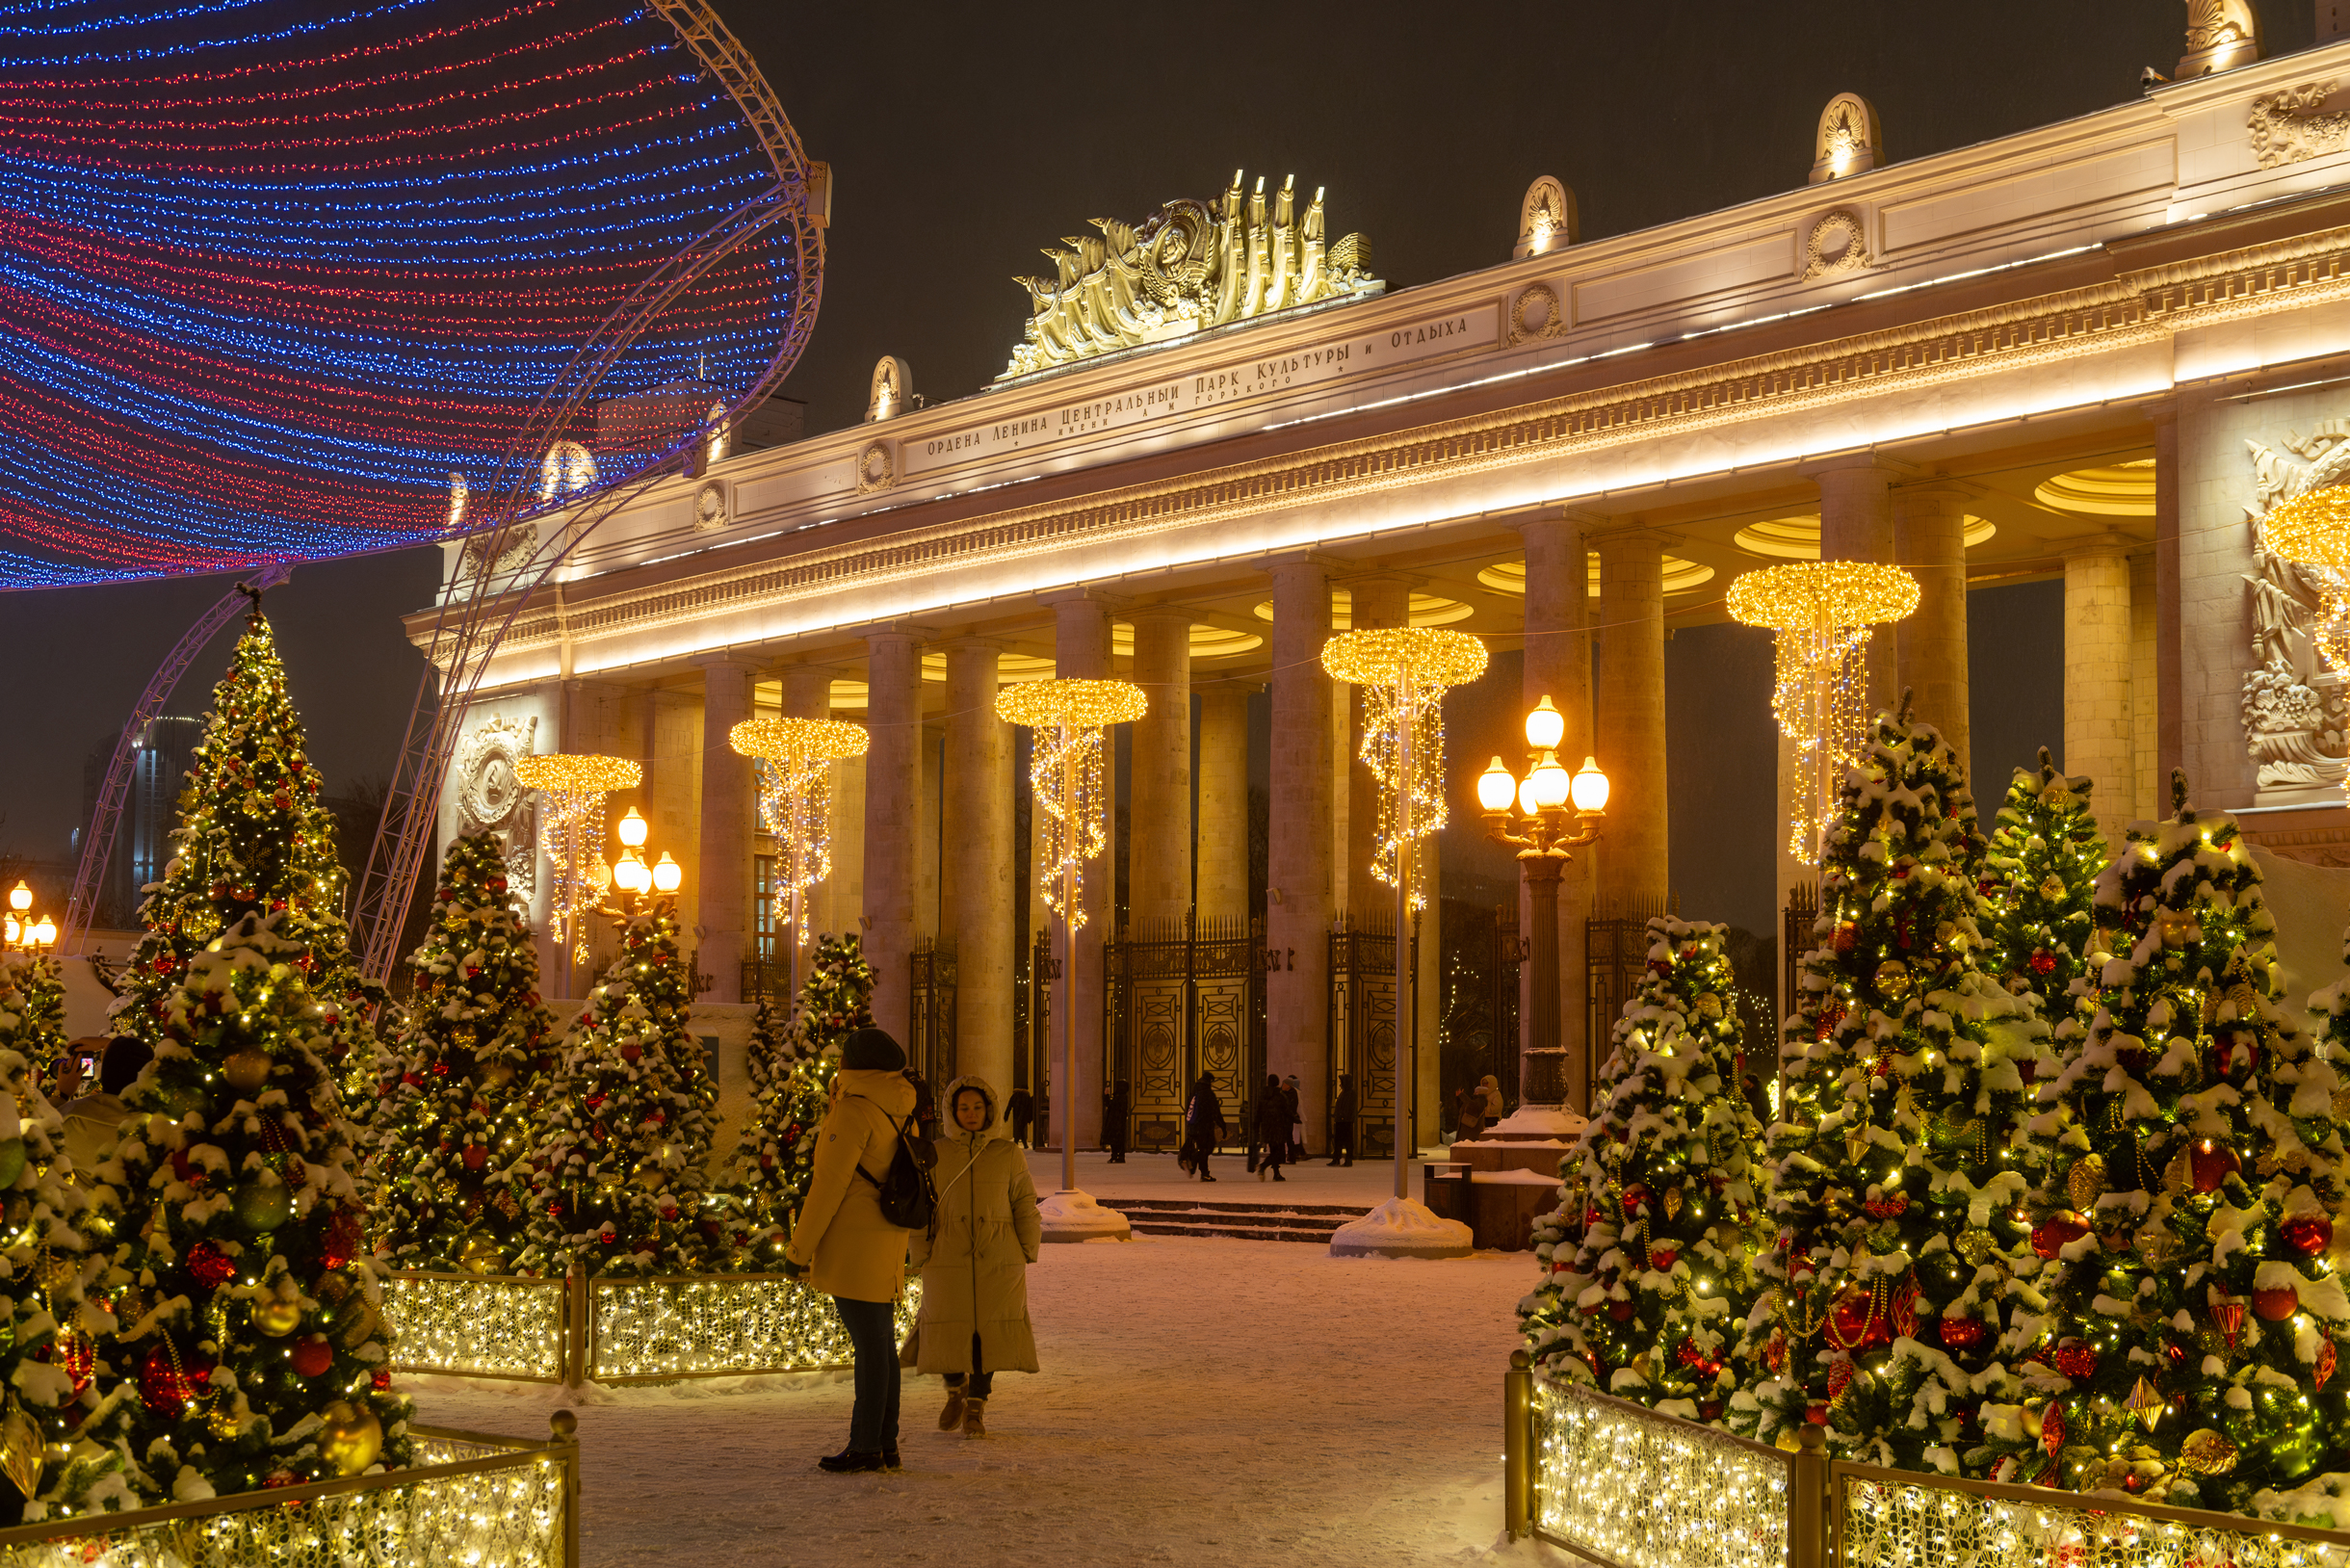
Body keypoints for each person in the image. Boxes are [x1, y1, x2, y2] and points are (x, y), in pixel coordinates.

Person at [782, 1027, 921, 1474]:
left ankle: (865, 1445)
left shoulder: (853, 1111)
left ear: (852, 1066)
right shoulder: (901, 1108)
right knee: (880, 1344)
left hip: (854, 1243)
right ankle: (885, 1442)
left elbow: (827, 1187)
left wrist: (798, 1250)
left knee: (871, 1345)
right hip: (887, 1236)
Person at [908, 1077, 1041, 1439]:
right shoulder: (936, 1152)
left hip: (998, 1254)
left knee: (988, 1333)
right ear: (952, 1112)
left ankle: (976, 1406)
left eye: (977, 1107)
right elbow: (924, 1207)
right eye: (963, 1108)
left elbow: (1023, 1202)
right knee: (946, 1326)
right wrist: (921, 1251)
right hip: (947, 1252)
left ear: (989, 1110)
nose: (971, 1114)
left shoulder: (1008, 1153)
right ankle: (955, 1389)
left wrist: (1028, 1246)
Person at [60, 1035, 149, 1176]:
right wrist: (112, 1045)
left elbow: (34, 1135)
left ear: (105, 1071)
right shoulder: (161, 1126)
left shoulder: (75, 1120)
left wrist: (62, 1095)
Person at [1182, 1071, 1223, 1182]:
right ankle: (1197, 1165)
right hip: (1205, 1126)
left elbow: (1189, 1107)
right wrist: (1222, 1125)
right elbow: (1215, 1111)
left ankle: (1201, 1171)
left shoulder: (1194, 1091)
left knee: (1202, 1149)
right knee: (1206, 1149)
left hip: (1194, 1125)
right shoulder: (1208, 1093)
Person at [1254, 1073, 1290, 1183]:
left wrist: (1256, 1125)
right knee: (1279, 1154)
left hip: (1267, 1128)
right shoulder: (1280, 1096)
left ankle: (1276, 1173)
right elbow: (1286, 1111)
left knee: (1274, 1151)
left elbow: (1258, 1113)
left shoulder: (1263, 1096)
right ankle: (1262, 1166)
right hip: (1278, 1127)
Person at [1327, 1074, 1357, 1167]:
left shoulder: (1351, 1094)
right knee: (1338, 1140)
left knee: (1347, 1141)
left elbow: (1349, 1108)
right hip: (1341, 1120)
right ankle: (1337, 1158)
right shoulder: (1344, 1093)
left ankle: (1348, 1159)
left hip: (1346, 1121)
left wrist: (1343, 1116)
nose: (1340, 1085)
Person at [1104, 1079, 1130, 1164]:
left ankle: (1117, 1155)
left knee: (1117, 1139)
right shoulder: (1120, 1096)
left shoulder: (1121, 1097)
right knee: (1116, 1139)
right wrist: (1106, 1095)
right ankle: (1116, 1155)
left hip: (1117, 1123)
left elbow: (1113, 1107)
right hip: (1116, 1122)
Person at [1283, 1073, 1304, 1163]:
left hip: (1287, 1118)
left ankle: (1291, 1156)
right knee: (1287, 1138)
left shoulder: (1292, 1093)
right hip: (1286, 1118)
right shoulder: (1284, 1092)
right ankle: (1289, 1156)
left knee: (1288, 1138)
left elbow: (1292, 1107)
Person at [1005, 1085, 1034, 1149]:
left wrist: (1006, 1115)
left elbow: (1009, 1106)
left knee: (1020, 1129)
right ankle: (1020, 1144)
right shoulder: (1026, 1096)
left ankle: (1019, 1143)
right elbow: (1026, 1107)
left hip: (1016, 1115)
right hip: (1024, 1116)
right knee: (1020, 1129)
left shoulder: (1015, 1095)